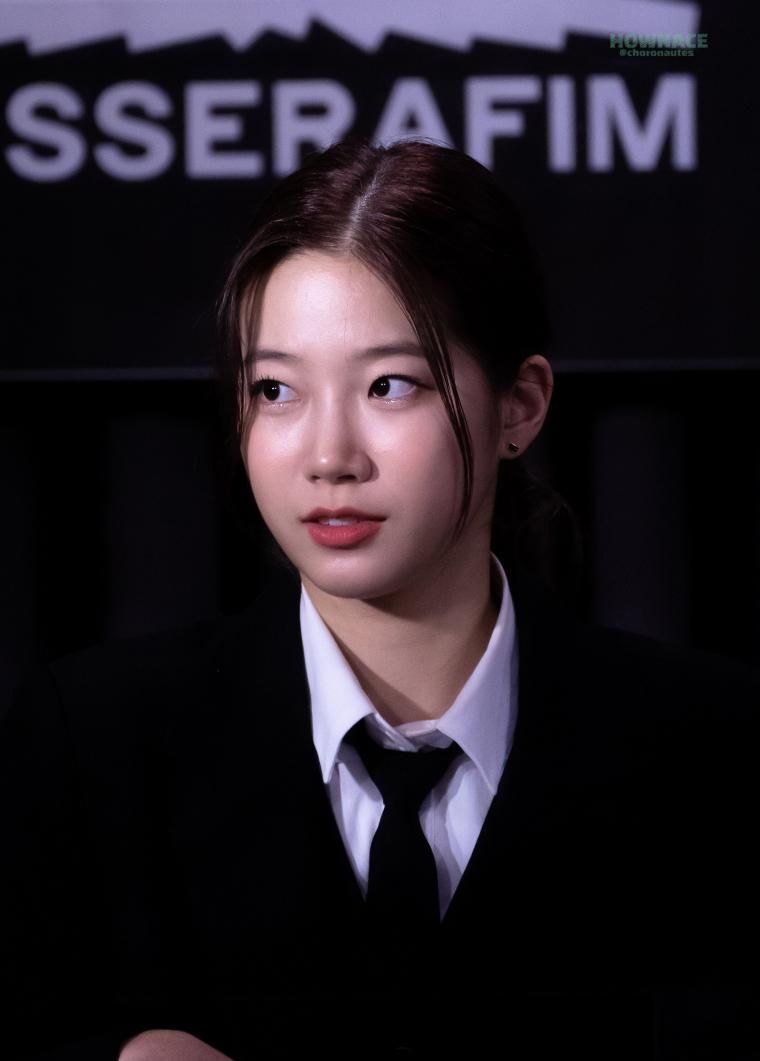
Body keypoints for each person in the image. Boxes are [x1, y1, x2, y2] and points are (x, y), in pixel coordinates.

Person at [1, 138, 758, 1061]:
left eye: (389, 385)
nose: (329, 455)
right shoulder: (95, 747)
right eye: (275, 389)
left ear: (520, 405)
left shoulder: (715, 749)